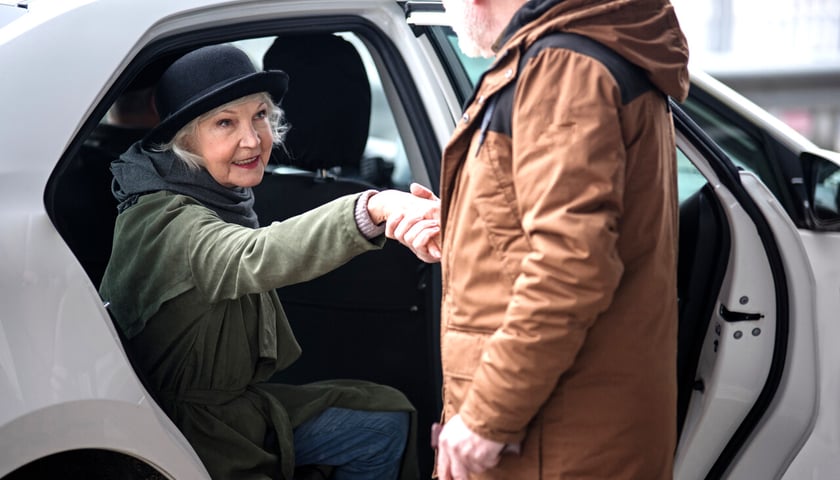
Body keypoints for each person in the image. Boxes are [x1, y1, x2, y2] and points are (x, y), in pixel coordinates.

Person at [99, 43, 440, 480]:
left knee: (385, 418)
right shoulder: (167, 218)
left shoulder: (211, 193)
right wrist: (376, 208)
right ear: (182, 139)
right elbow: (253, 254)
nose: (252, 139)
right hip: (195, 436)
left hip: (238, 409)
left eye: (259, 115)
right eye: (225, 122)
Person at [397, 0, 690, 478]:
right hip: (567, 433)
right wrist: (460, 226)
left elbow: (570, 266)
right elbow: (559, 237)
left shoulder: (563, 69)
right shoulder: (586, 54)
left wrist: (486, 417)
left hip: (552, 441)